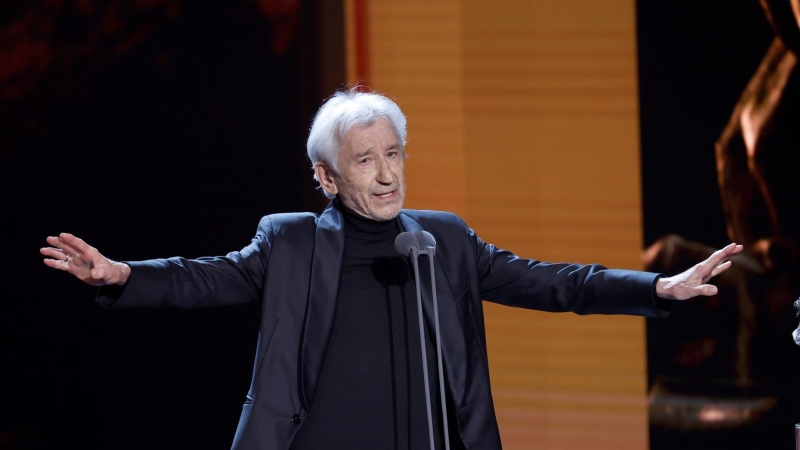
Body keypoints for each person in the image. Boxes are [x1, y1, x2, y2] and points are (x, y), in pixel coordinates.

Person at [40, 88, 742, 450]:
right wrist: (123, 275)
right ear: (325, 176)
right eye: (365, 159)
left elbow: (554, 282)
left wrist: (657, 288)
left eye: (395, 153)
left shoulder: (444, 241)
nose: (386, 175)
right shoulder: (288, 244)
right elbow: (204, 277)